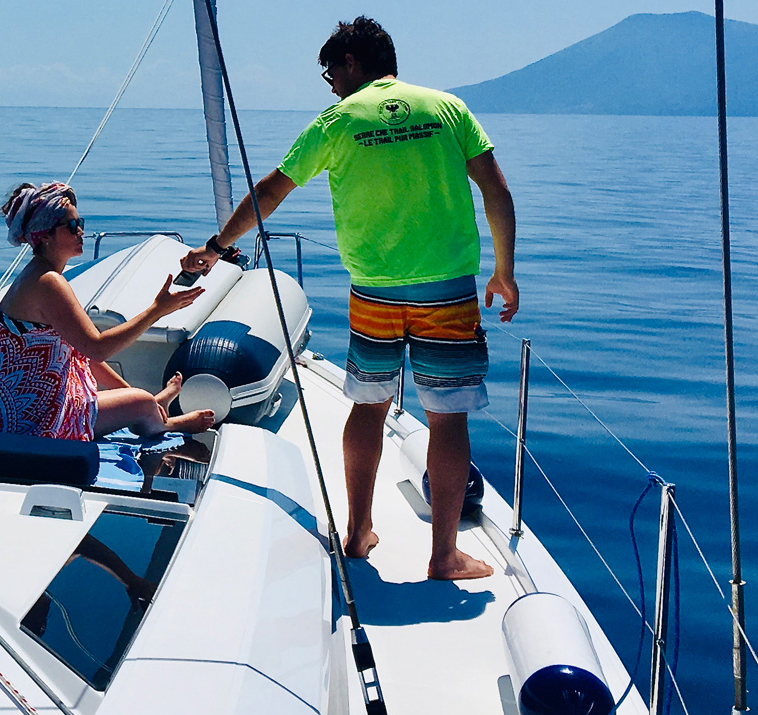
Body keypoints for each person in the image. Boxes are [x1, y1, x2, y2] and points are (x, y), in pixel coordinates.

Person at [179, 17, 518, 581]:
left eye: (330, 70)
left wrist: (217, 247)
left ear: (353, 63)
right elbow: (496, 190)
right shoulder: (448, 109)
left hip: (374, 294)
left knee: (368, 406)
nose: (329, 83)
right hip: (448, 293)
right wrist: (504, 273)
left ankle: (358, 532)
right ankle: (444, 556)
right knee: (448, 417)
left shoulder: (336, 123)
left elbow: (270, 191)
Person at [0, 182, 217, 441]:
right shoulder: (49, 283)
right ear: (44, 236)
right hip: (30, 421)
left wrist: (128, 392)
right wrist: (157, 311)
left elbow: (81, 352)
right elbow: (98, 348)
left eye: (81, 224)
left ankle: (152, 406)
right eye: (71, 226)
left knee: (135, 396)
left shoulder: (37, 275)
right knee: (143, 402)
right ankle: (167, 423)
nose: (80, 232)